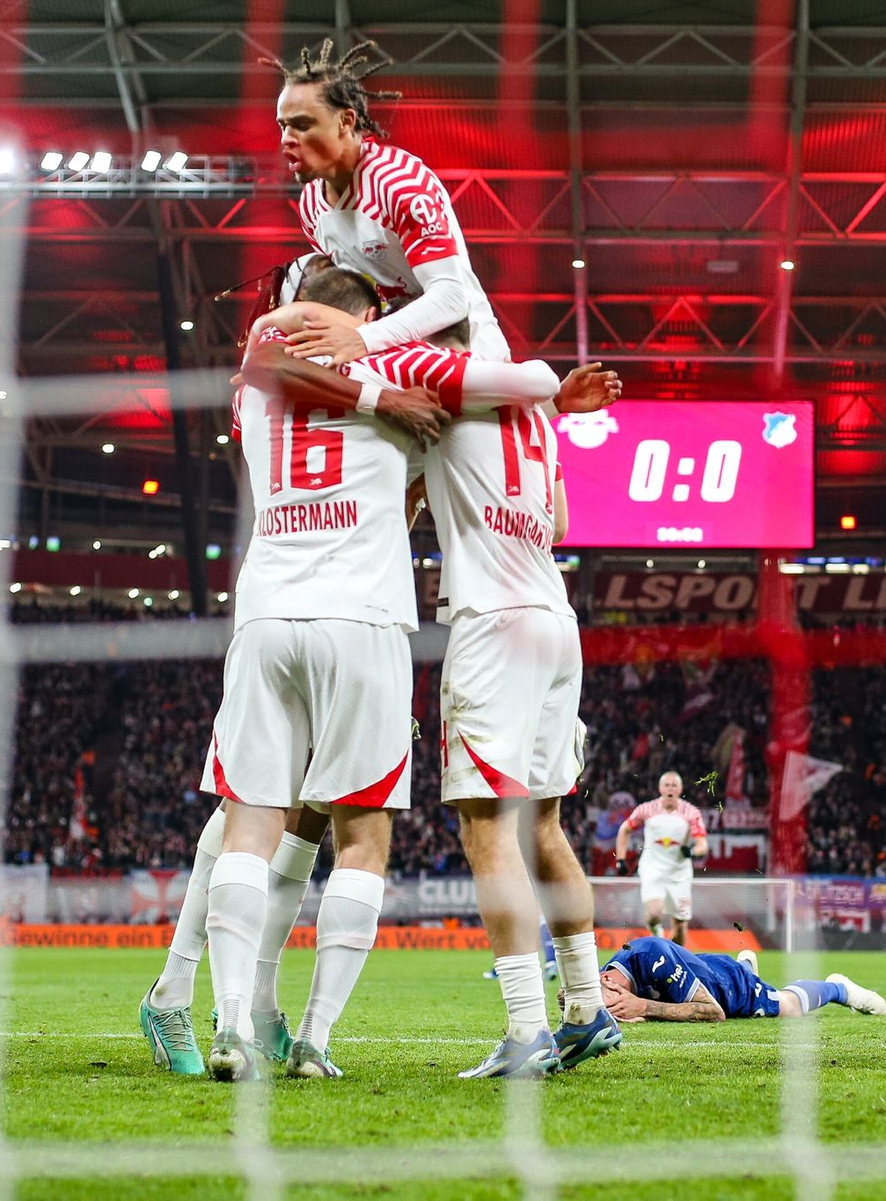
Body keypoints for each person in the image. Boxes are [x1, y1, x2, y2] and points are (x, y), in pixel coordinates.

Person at [242, 268, 622, 1078]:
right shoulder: (533, 423)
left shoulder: (430, 371)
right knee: (546, 827)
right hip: (557, 617)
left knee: (488, 833)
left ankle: (527, 1029)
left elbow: (359, 387)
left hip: (493, 623)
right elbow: (559, 518)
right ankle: (588, 1009)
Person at [200, 267, 449, 1082]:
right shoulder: (396, 382)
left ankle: (233, 1023)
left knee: (249, 824)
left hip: (268, 615)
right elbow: (423, 482)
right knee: (363, 836)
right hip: (364, 623)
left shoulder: (255, 396)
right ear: (370, 317)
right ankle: (312, 1038)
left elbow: (265, 364)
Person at [138, 254, 335, 1078]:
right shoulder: (273, 372)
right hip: (282, 605)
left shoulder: (363, 366)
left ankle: (250, 996)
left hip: (353, 615)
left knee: (316, 811)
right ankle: (179, 993)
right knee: (254, 806)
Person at [265, 38, 508, 365]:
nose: (286, 140)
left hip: (468, 352)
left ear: (346, 121)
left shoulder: (399, 183)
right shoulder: (311, 204)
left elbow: (452, 297)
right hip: (391, 357)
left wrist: (363, 338)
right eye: (283, 126)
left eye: (302, 125)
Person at [596, 936, 886, 1023]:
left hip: (728, 987)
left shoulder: (653, 957)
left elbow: (714, 1013)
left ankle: (839, 988)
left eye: (612, 1005)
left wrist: (643, 1008)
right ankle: (747, 966)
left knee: (789, 1006)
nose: (613, 1010)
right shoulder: (605, 976)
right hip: (704, 971)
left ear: (608, 980)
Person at [613, 772, 708, 946]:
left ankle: (676, 961)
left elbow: (703, 845)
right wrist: (621, 858)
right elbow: (625, 829)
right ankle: (656, 933)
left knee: (680, 924)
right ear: (660, 788)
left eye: (674, 785)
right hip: (652, 870)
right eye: (667, 785)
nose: (670, 789)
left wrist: (693, 852)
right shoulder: (646, 809)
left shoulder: (691, 812)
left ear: (680, 789)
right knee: (654, 913)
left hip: (679, 874)